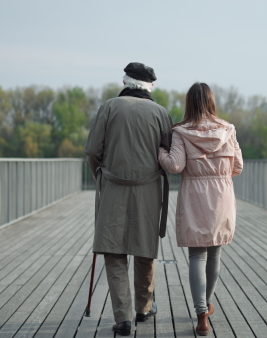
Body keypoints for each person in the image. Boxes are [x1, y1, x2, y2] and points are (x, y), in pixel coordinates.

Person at [85, 62, 172, 336]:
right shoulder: (160, 113)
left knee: (113, 250)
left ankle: (122, 318)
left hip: (113, 187)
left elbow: (92, 150)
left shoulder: (109, 107)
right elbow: (167, 154)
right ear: (149, 86)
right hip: (148, 189)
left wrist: (101, 176)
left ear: (126, 82)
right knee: (145, 248)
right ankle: (143, 309)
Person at [158, 82, 243, 336]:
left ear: (189, 103)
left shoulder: (182, 132)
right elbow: (237, 166)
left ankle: (201, 313)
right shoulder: (228, 130)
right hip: (221, 196)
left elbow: (174, 165)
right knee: (214, 254)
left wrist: (161, 151)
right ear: (211, 102)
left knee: (197, 256)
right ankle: (207, 306)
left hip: (194, 195)